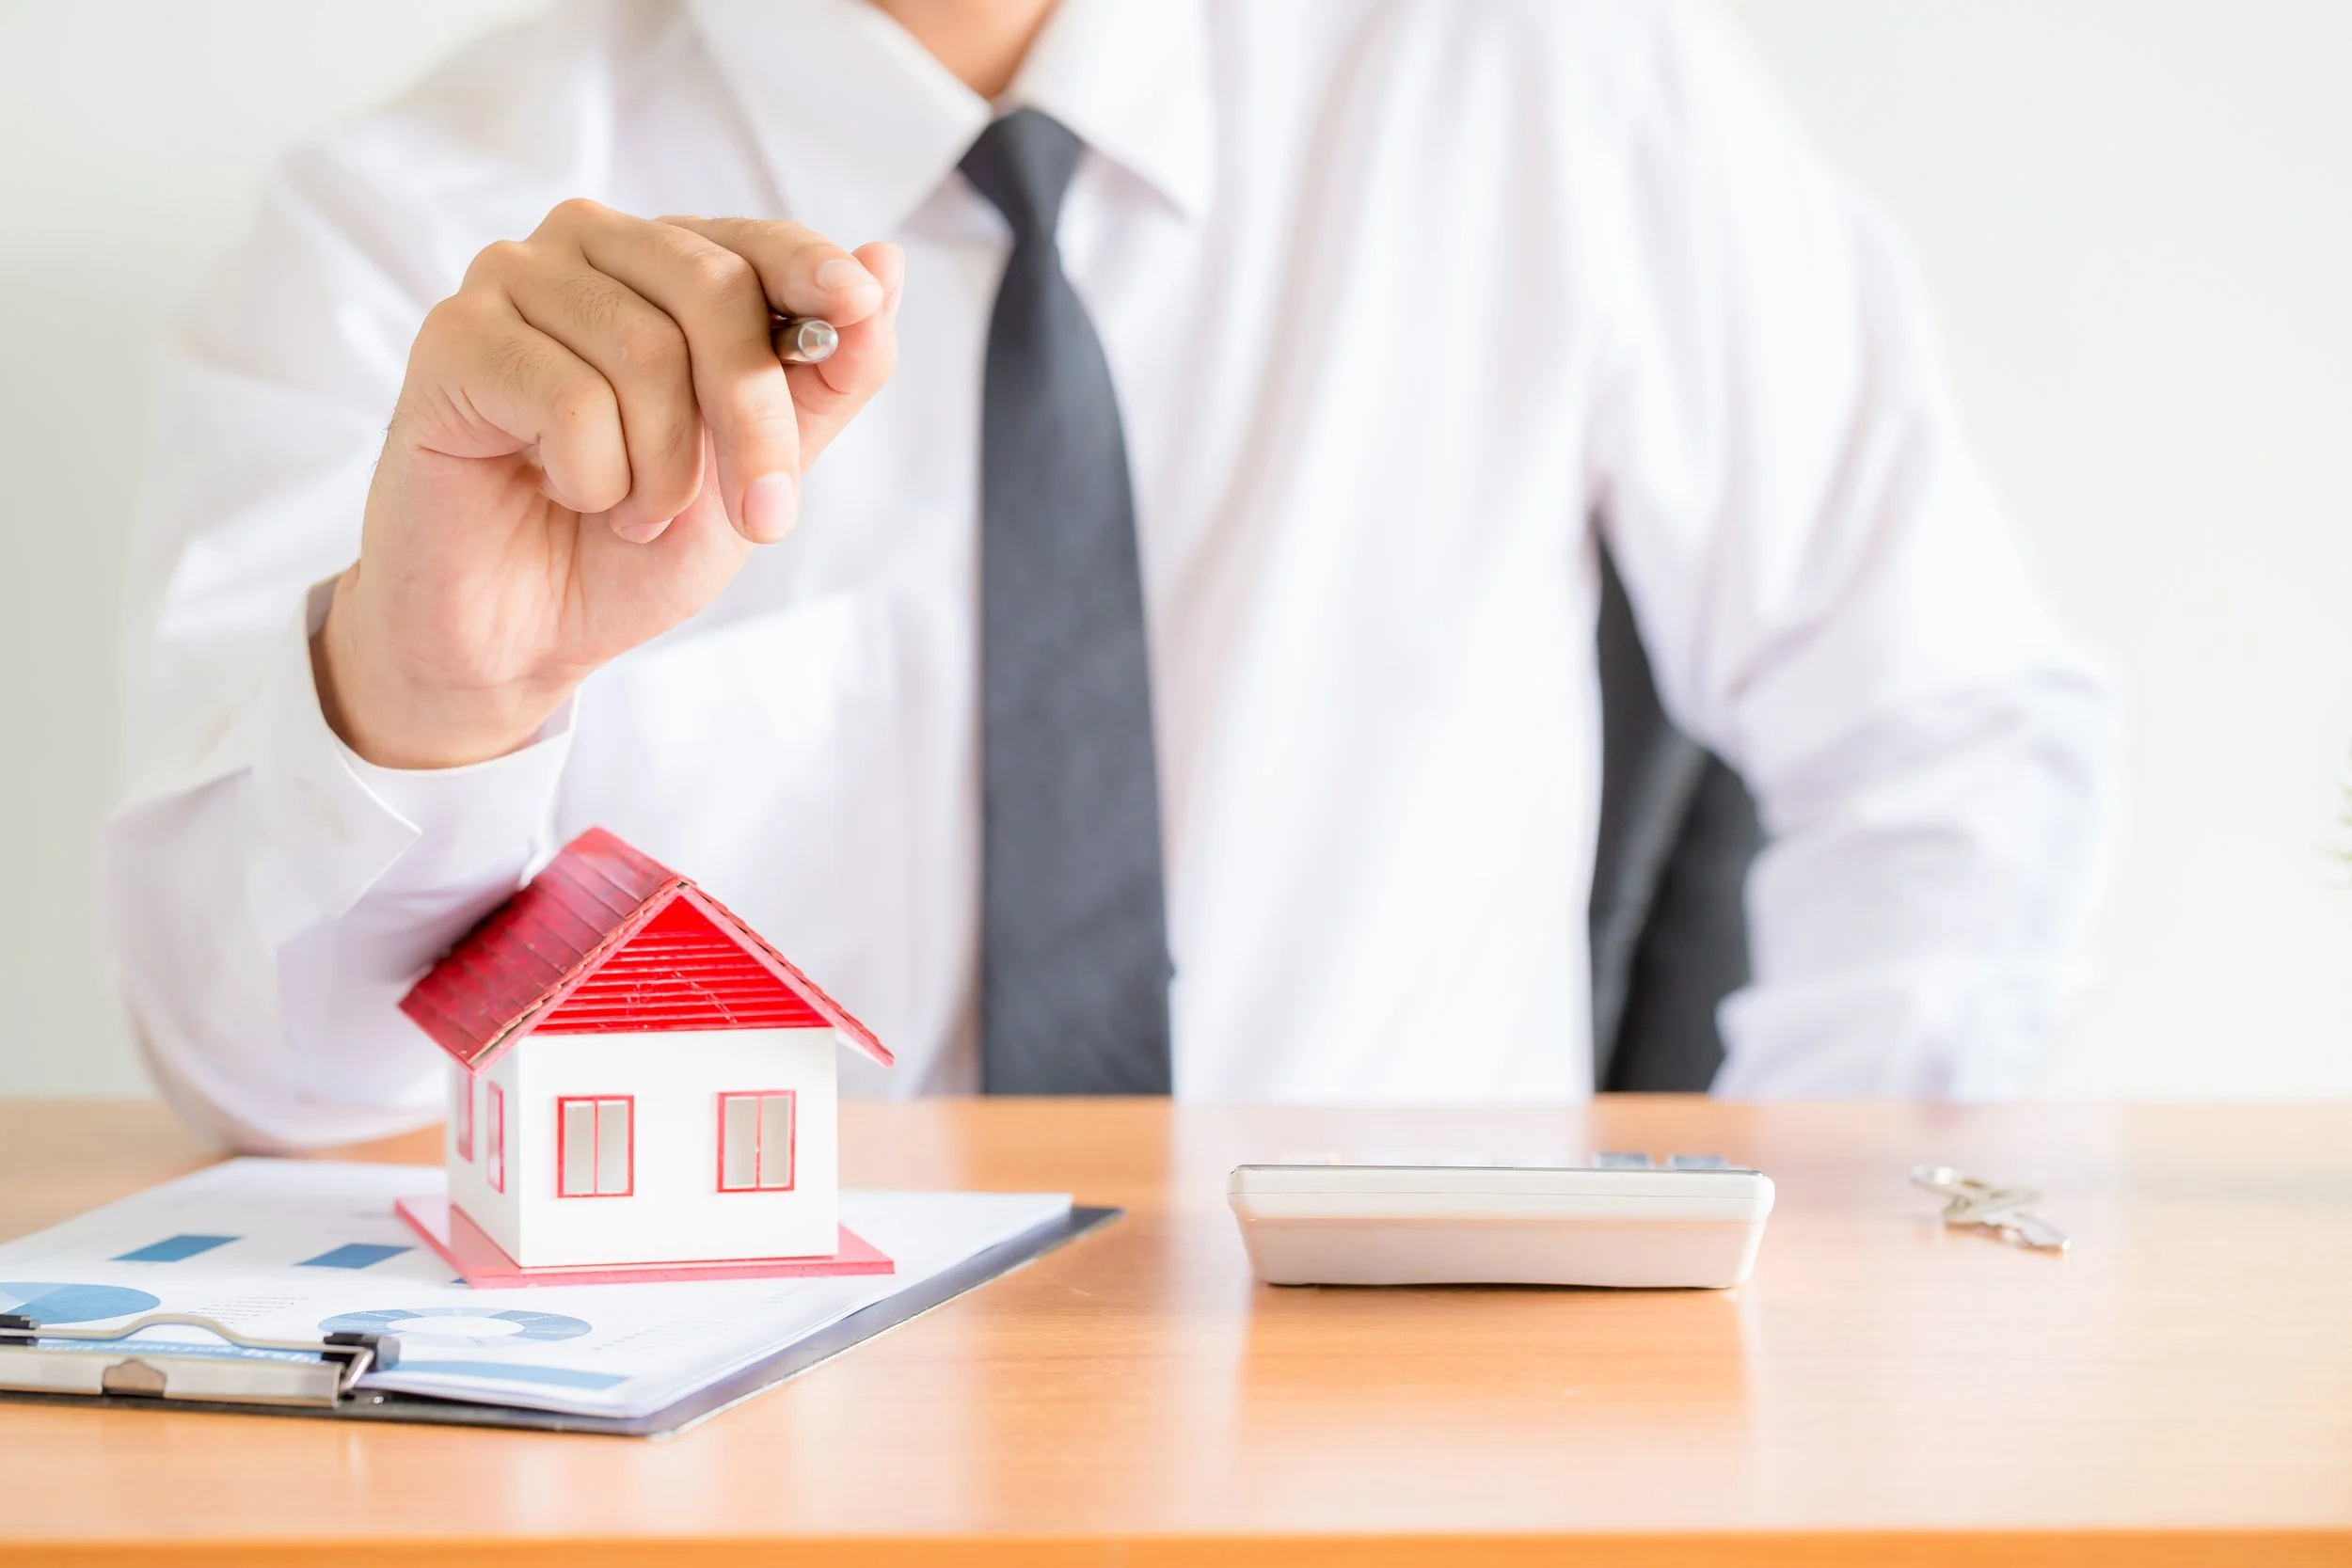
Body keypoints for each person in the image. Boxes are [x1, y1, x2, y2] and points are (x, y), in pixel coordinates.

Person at [108, 0, 2117, 1149]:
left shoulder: (1542, 82)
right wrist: (436, 704)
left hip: (1428, 1462)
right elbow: (250, 1064)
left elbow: (1937, 733)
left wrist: (1784, 1320)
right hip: (734, 1478)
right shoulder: (412, 243)